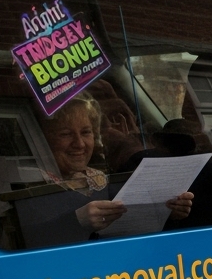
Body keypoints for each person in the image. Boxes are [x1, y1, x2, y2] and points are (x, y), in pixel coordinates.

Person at [38, 93, 193, 237]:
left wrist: (167, 212)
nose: (79, 144)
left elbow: (134, 226)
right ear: (43, 138)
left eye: (86, 132)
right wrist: (76, 221)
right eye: (66, 134)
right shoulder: (31, 184)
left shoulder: (100, 179)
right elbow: (28, 239)